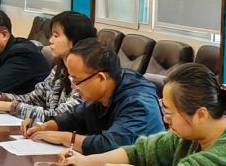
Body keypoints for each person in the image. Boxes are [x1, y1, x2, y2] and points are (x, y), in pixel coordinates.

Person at [56, 63, 226, 166]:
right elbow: (141, 152)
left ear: (201, 115)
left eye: (169, 113)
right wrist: (86, 161)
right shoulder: (189, 136)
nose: (166, 121)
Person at [23, 40, 164, 151]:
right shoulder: (102, 92)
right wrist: (44, 127)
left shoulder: (138, 103)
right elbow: (75, 117)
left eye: (76, 81)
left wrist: (64, 138)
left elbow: (111, 145)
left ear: (101, 78)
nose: (73, 87)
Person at [0, 10, 96, 124]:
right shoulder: (59, 69)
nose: (50, 40)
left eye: (56, 36)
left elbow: (60, 117)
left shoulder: (86, 76)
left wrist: (11, 106)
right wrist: (0, 98)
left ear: (74, 41)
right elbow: (35, 98)